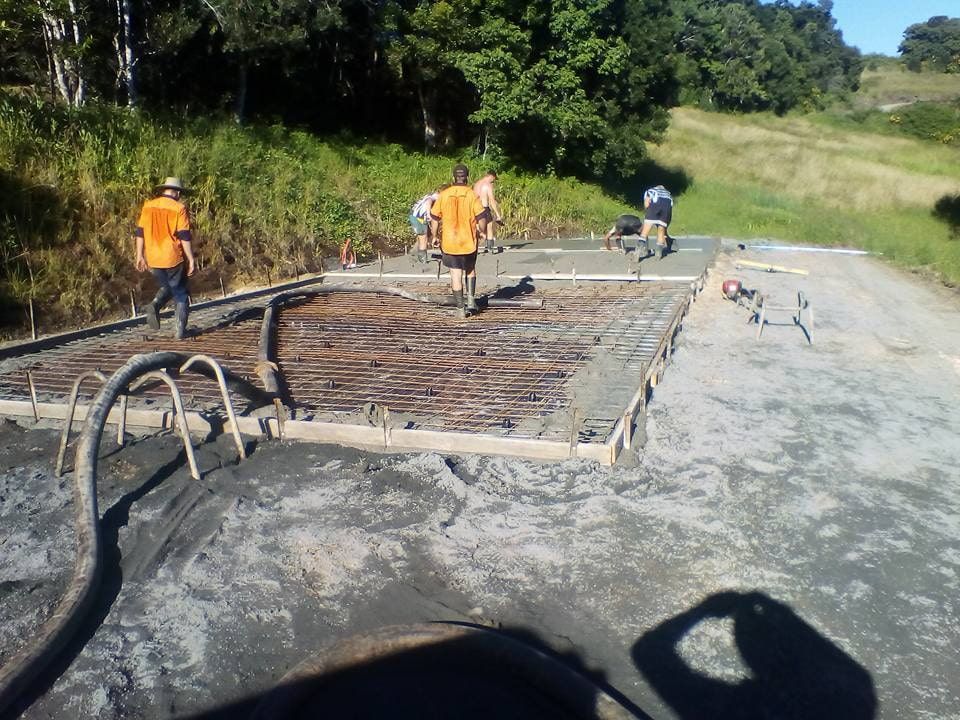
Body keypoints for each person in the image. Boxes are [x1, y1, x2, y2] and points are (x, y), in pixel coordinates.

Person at [134, 176, 196, 339]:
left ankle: (154, 305)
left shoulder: (148, 206)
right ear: (176, 192)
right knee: (181, 293)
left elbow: (140, 232)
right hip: (172, 257)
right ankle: (181, 332)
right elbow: (184, 235)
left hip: (153, 257)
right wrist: (190, 258)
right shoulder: (179, 208)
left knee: (168, 287)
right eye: (180, 193)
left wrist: (140, 255)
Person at [430, 164, 487, 318]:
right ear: (467, 176)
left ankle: (460, 310)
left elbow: (434, 218)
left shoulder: (444, 195)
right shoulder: (471, 195)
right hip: (468, 241)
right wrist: (482, 231)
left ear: (453, 177)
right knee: (470, 268)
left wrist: (434, 236)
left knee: (455, 275)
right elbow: (481, 217)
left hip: (449, 242)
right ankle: (471, 301)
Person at [637, 184, 674, 260]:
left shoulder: (651, 191)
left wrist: (648, 213)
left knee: (645, 231)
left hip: (653, 209)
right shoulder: (668, 194)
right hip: (666, 212)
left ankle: (637, 252)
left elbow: (647, 204)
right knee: (661, 231)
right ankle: (658, 254)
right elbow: (670, 208)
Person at [409, 186, 444, 263]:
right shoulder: (437, 196)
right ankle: (422, 261)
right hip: (419, 217)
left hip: (415, 215)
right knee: (423, 239)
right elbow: (429, 201)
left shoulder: (430, 194)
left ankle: (414, 252)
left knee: (427, 234)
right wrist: (428, 214)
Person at [472, 170, 501, 253]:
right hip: (484, 208)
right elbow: (491, 200)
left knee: (477, 227)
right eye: (494, 179)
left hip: (476, 208)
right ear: (491, 176)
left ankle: (474, 247)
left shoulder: (476, 184)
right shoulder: (488, 185)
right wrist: (498, 214)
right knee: (489, 225)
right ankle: (490, 248)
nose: (493, 181)